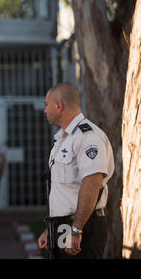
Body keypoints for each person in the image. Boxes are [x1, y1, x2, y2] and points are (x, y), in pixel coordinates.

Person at [38, 82, 114, 259]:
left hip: (83, 227)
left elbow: (92, 183)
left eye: (46, 105)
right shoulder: (63, 139)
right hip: (64, 227)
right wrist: (51, 229)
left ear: (59, 106)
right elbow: (64, 193)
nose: (44, 110)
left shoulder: (88, 137)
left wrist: (76, 229)